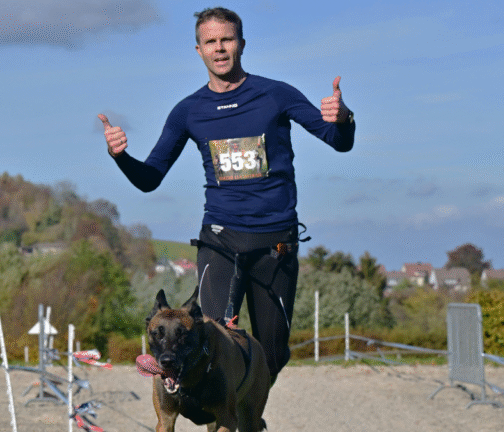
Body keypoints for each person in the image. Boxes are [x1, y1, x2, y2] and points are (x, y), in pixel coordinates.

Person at [98, 7, 355, 382]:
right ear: (199, 50)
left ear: (241, 45)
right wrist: (120, 157)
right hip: (220, 238)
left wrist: (344, 118)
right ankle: (205, 408)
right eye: (210, 42)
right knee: (212, 341)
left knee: (272, 354)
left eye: (226, 40)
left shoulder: (276, 94)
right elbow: (149, 178)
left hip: (276, 242)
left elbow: (338, 142)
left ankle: (246, 413)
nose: (219, 49)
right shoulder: (188, 111)